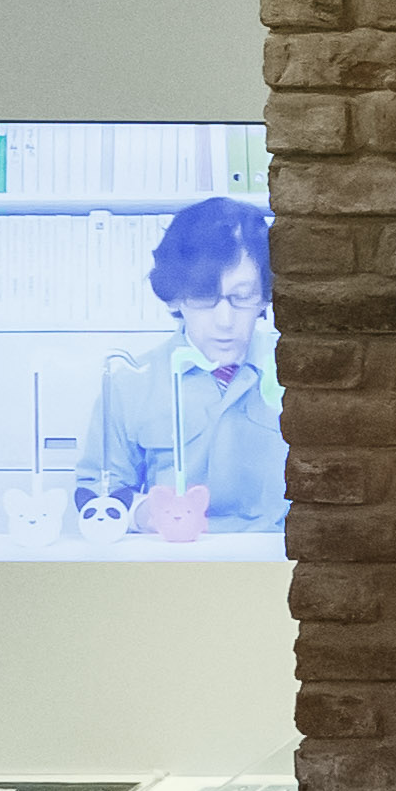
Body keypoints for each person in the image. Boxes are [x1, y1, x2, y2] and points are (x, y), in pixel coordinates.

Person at [76, 194, 281, 537]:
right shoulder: (130, 384)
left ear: (265, 295)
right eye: (203, 296)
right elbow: (97, 491)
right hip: (172, 560)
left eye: (242, 296)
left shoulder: (304, 377)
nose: (225, 320)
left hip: (281, 560)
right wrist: (147, 514)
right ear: (175, 296)